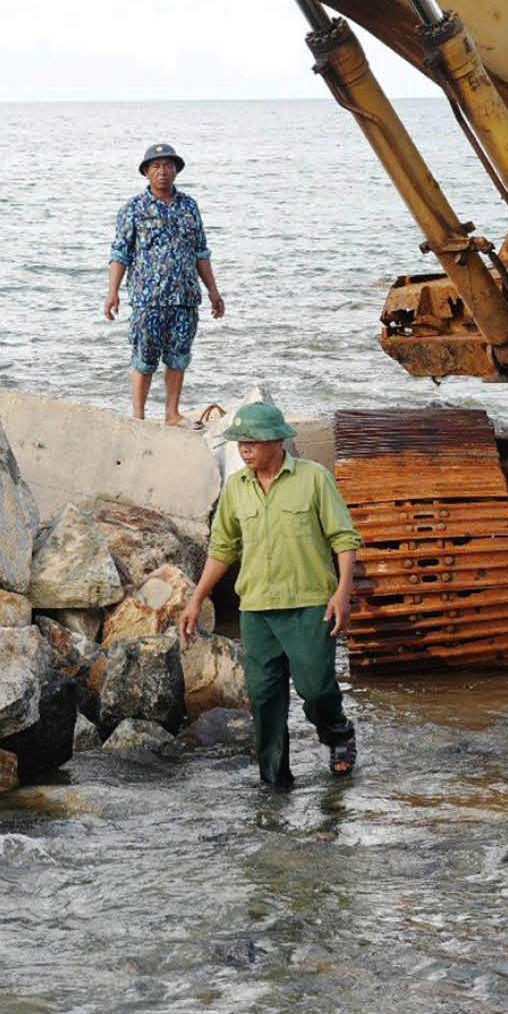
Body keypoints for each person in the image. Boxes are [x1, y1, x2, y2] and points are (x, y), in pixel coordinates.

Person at [178, 401, 361, 789]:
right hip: (257, 610)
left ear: (278, 441)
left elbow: (343, 538)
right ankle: (274, 782)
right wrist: (196, 599)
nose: (245, 450)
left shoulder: (314, 479)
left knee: (316, 689)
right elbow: (222, 549)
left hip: (310, 605)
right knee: (264, 699)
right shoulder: (236, 489)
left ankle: (337, 733)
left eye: (253, 443)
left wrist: (342, 593)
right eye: (241, 443)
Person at [104, 142, 224, 424]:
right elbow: (120, 253)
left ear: (176, 171)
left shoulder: (189, 206)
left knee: (178, 358)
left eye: (168, 165)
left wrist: (213, 292)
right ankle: (139, 416)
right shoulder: (133, 209)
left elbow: (200, 251)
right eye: (156, 166)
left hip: (185, 298)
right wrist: (113, 293)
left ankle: (172, 413)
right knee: (144, 359)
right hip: (148, 300)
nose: (163, 171)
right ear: (146, 172)